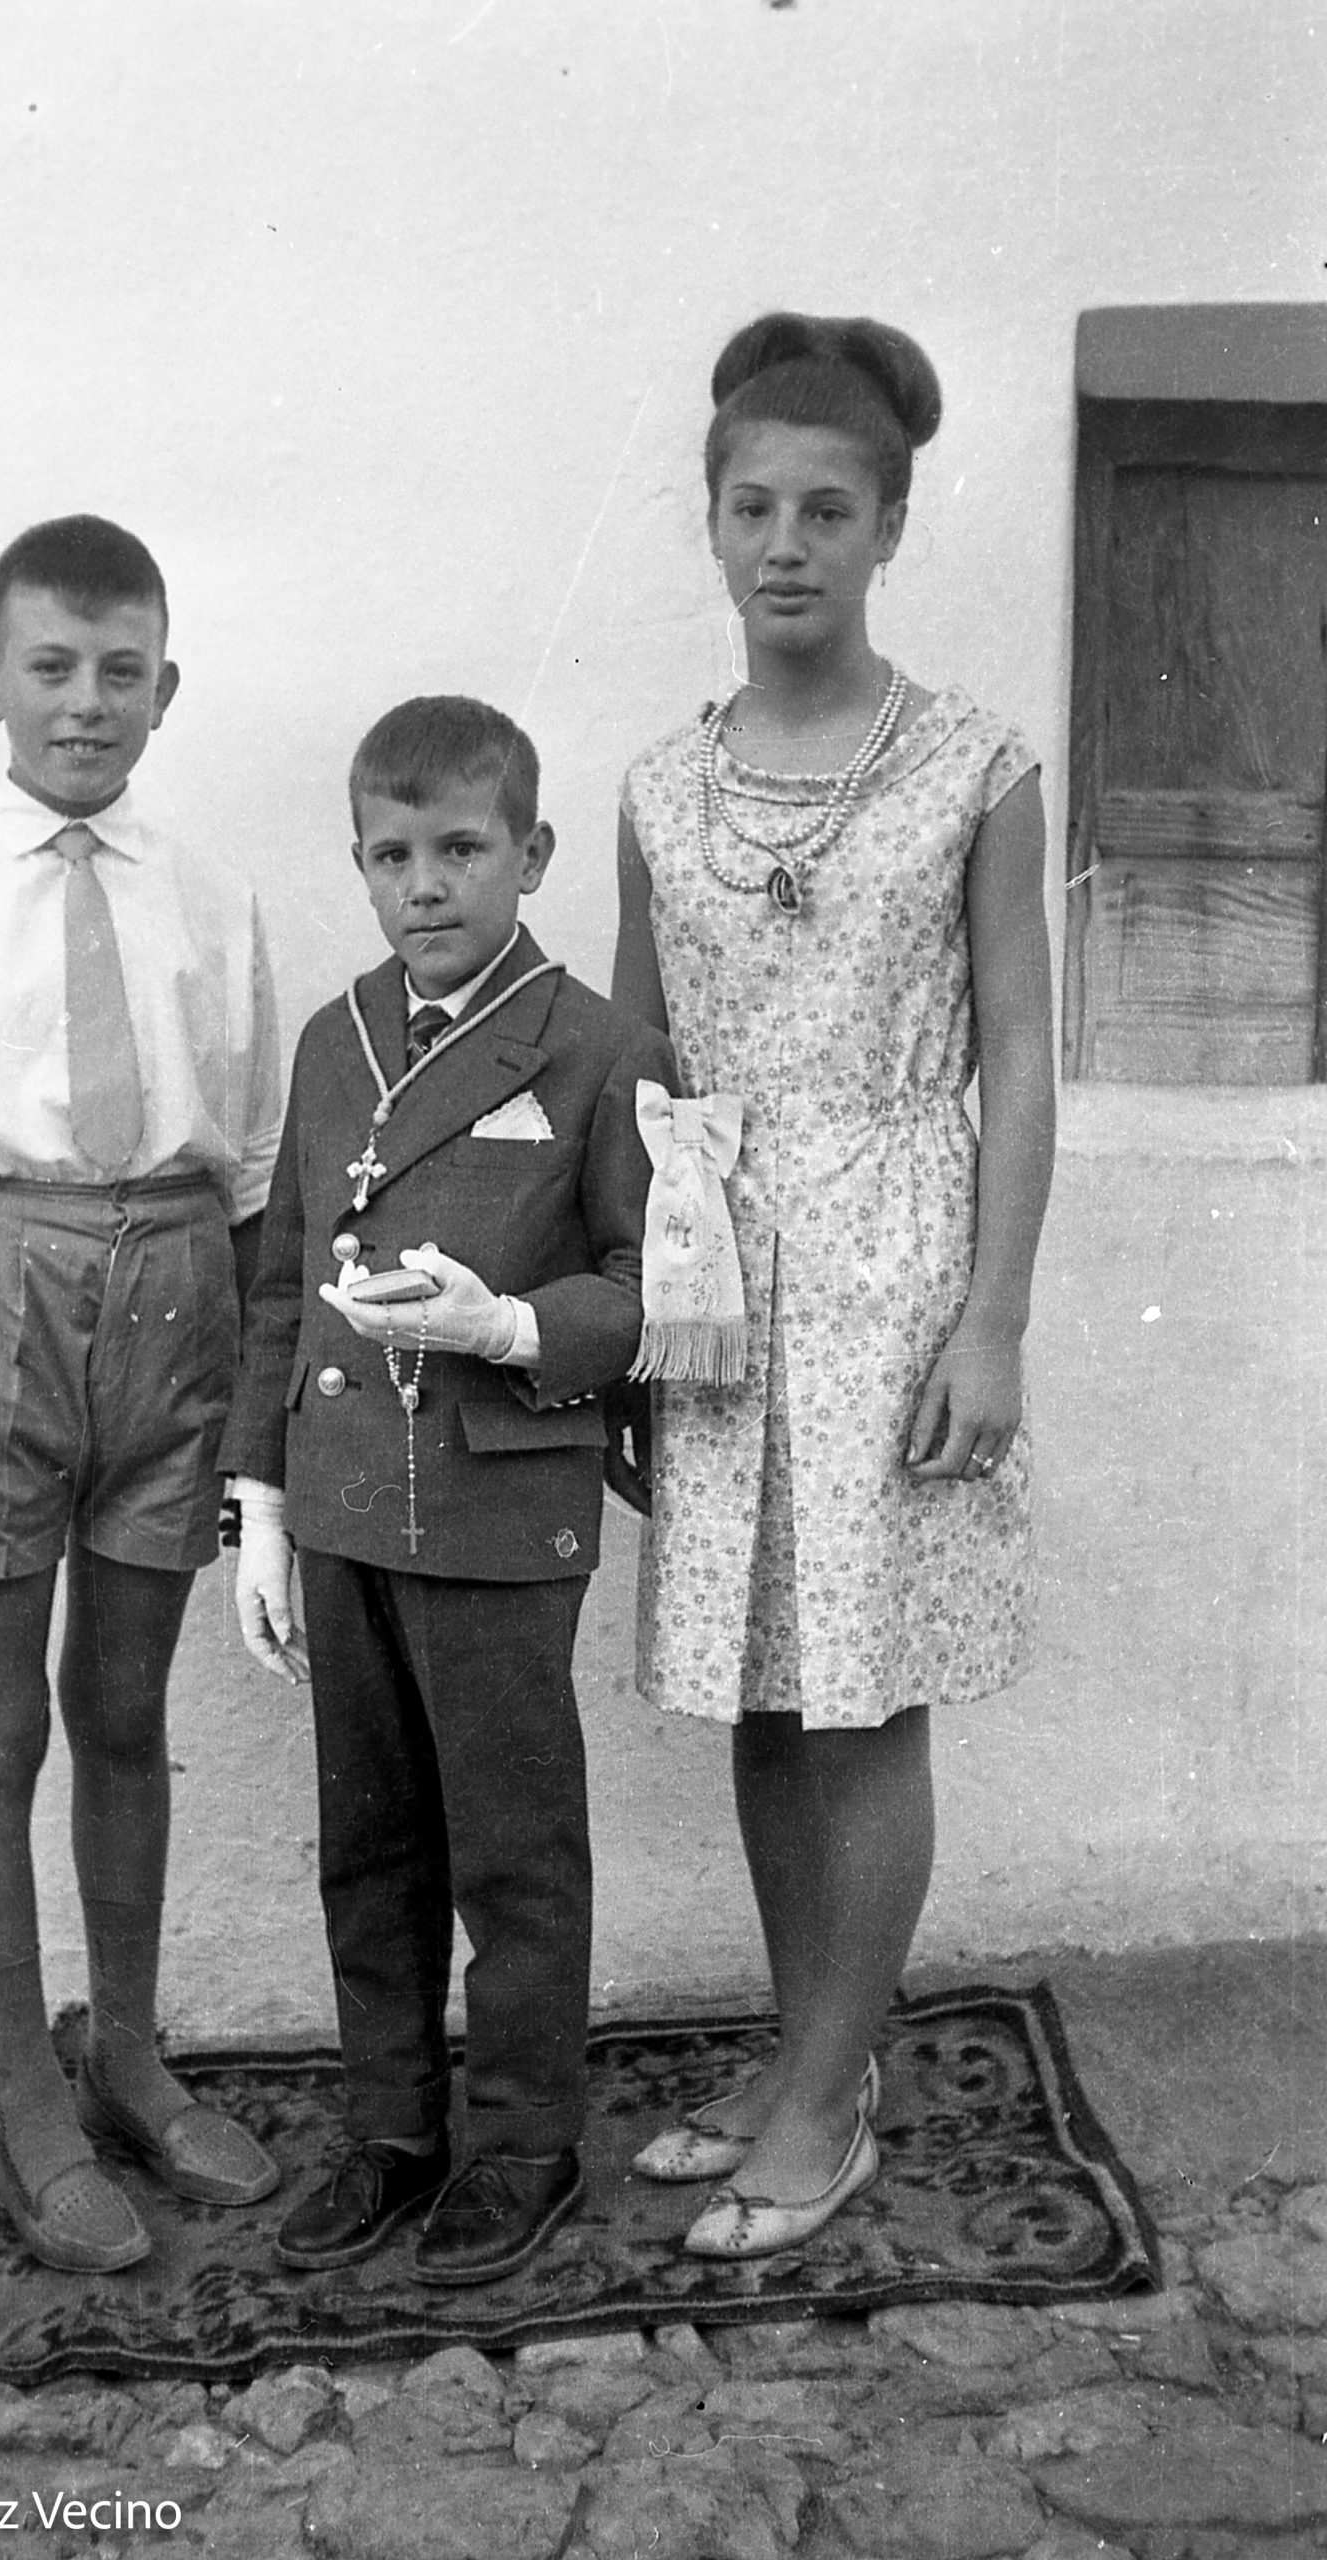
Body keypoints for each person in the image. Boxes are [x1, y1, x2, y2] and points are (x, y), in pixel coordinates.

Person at [611, 314, 1055, 2258]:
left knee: (860, 1698)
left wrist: (995, 1318)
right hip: (717, 1272)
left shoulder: (974, 765)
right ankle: (816, 2053)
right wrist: (635, 1324)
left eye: (826, 510)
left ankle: (821, 2098)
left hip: (894, 1263)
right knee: (758, 1688)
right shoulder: (658, 785)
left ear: (888, 528)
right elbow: (635, 1070)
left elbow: (1021, 1055)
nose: (785, 544)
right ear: (711, 524)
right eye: (752, 508)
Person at [0, 514, 285, 2273]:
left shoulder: (214, 898)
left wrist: (254, 1422)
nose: (86, 702)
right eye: (51, 667)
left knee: (125, 1710)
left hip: (175, 1291)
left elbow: (254, 1169)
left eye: (120, 670)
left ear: (167, 688)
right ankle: (27, 2097)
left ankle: (130, 2055)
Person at [226, 696, 675, 2286]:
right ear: (361, 863)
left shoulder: (597, 1046)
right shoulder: (335, 1038)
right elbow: (281, 1281)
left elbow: (651, 1287)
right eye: (392, 855)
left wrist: (513, 1328)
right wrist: (259, 1504)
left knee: (511, 1849)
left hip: (498, 1498)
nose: (426, 885)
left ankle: (527, 2143)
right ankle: (393, 2132)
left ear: (532, 855)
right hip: (347, 1495)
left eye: (463, 850)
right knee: (370, 1845)